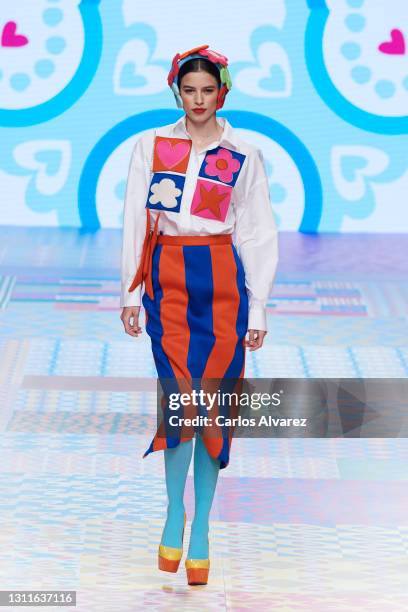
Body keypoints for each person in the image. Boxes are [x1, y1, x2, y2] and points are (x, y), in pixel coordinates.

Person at [120, 44, 279, 586]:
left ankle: (203, 525)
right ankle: (174, 512)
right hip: (167, 283)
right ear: (176, 92)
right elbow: (134, 221)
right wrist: (128, 290)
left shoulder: (243, 154)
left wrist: (258, 304)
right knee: (180, 397)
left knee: (211, 403)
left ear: (223, 91)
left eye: (208, 90)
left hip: (222, 283)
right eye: (189, 90)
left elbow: (257, 231)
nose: (198, 100)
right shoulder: (152, 145)